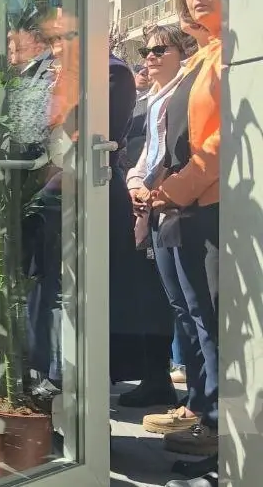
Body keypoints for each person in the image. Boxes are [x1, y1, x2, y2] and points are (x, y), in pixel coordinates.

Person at [132, 0, 222, 472]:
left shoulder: (230, 55)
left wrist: (174, 191)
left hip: (204, 206)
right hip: (178, 206)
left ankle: (216, 429)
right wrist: (148, 186)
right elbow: (164, 137)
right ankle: (202, 412)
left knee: (211, 323)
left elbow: (219, 142)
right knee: (191, 317)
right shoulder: (199, 57)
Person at [113, 24, 197, 409]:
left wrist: (155, 188)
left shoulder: (185, 94)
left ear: (182, 52)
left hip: (178, 210)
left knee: (185, 309)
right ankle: (158, 379)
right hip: (147, 211)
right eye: (147, 50)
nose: (150, 56)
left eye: (160, 49)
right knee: (159, 302)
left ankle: (195, 401)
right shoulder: (149, 100)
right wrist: (133, 183)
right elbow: (138, 152)